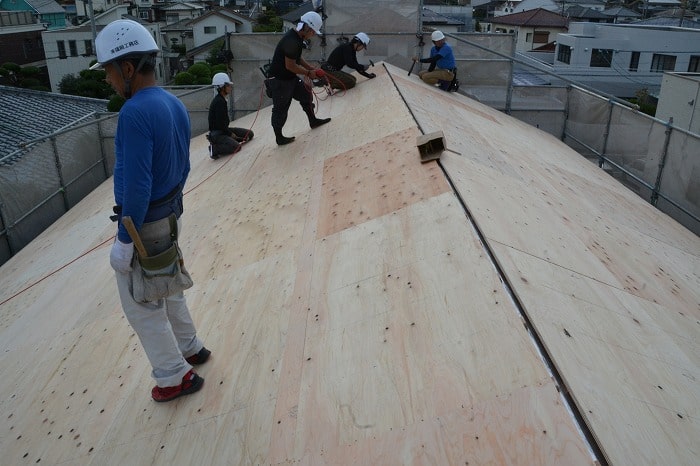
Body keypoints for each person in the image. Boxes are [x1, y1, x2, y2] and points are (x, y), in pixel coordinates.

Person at [92, 19, 210, 402]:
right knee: (168, 285)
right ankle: (192, 348)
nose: (108, 79)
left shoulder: (133, 113)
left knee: (141, 303)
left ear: (127, 68)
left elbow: (138, 185)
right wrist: (173, 207)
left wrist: (126, 241)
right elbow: (186, 163)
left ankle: (175, 376)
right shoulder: (172, 102)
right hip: (170, 214)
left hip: (144, 223)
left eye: (109, 71)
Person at [267, 11, 331, 145]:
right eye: (313, 32)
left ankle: (313, 121)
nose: (313, 35)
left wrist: (309, 67)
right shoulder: (291, 41)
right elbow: (290, 65)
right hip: (279, 80)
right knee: (281, 108)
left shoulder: (296, 38)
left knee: (306, 94)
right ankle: (279, 137)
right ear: (306, 27)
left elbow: (297, 57)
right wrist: (308, 73)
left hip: (290, 77)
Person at [208, 72, 254, 159]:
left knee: (249, 134)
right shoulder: (219, 102)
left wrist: (231, 134)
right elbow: (219, 124)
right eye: (228, 85)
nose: (230, 87)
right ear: (222, 87)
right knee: (236, 147)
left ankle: (230, 141)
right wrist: (230, 134)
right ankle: (214, 149)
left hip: (224, 130)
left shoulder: (222, 100)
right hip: (218, 134)